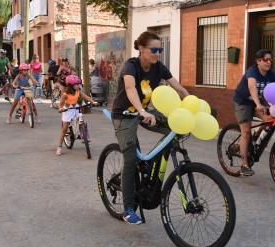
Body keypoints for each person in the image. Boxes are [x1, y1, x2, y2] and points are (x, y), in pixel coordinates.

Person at [111, 31, 189, 224]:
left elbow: (177, 86)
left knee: (175, 129)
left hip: (144, 112)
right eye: (154, 49)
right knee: (130, 159)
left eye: (160, 50)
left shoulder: (158, 67)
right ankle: (129, 208)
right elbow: (130, 89)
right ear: (142, 49)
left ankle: (150, 163)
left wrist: (191, 104)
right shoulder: (131, 66)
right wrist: (142, 111)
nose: (157, 53)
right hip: (125, 115)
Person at [233, 49, 275, 176]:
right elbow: (252, 87)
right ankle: (244, 165)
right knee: (245, 132)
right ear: (258, 61)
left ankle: (256, 136)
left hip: (257, 102)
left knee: (270, 119)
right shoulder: (252, 71)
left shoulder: (270, 73)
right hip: (243, 102)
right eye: (266, 60)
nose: (269, 62)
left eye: (270, 60)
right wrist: (258, 103)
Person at [56, 75, 98, 156]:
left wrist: (93, 102)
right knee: (64, 129)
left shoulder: (78, 91)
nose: (78, 86)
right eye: (76, 84)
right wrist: (61, 109)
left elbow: (85, 96)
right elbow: (60, 105)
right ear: (70, 85)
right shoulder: (65, 94)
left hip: (75, 108)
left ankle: (84, 135)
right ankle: (59, 146)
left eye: (78, 84)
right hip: (67, 110)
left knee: (81, 119)